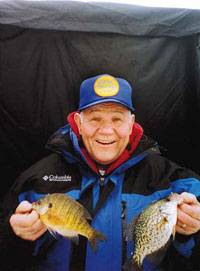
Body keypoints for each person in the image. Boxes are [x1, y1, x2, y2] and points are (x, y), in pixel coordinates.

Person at [0, 74, 200, 271]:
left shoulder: (174, 181)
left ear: (131, 124)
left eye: (117, 119)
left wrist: (192, 233)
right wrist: (13, 234)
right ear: (79, 122)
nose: (106, 130)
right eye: (95, 118)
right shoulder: (35, 180)